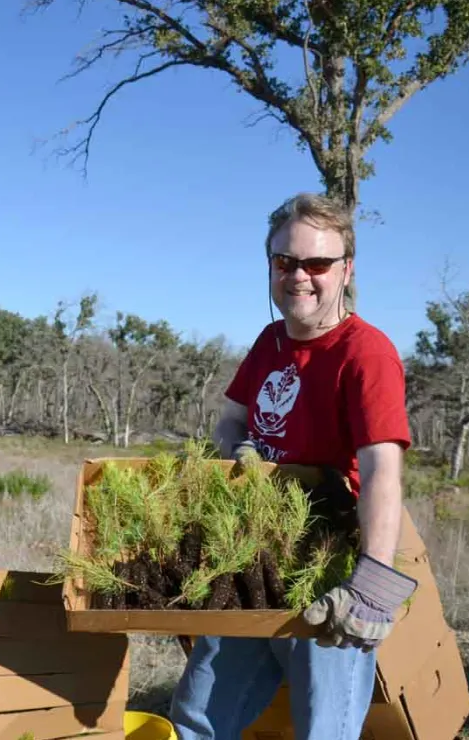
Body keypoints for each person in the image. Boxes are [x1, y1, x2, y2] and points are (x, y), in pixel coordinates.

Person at [168, 192, 417, 740]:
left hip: (326, 565)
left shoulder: (366, 354)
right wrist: (241, 454)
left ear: (346, 270)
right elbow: (230, 422)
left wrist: (371, 585)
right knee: (196, 719)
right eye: (286, 262)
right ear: (271, 267)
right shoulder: (270, 341)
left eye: (317, 263)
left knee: (322, 731)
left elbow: (381, 471)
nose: (300, 276)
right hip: (250, 551)